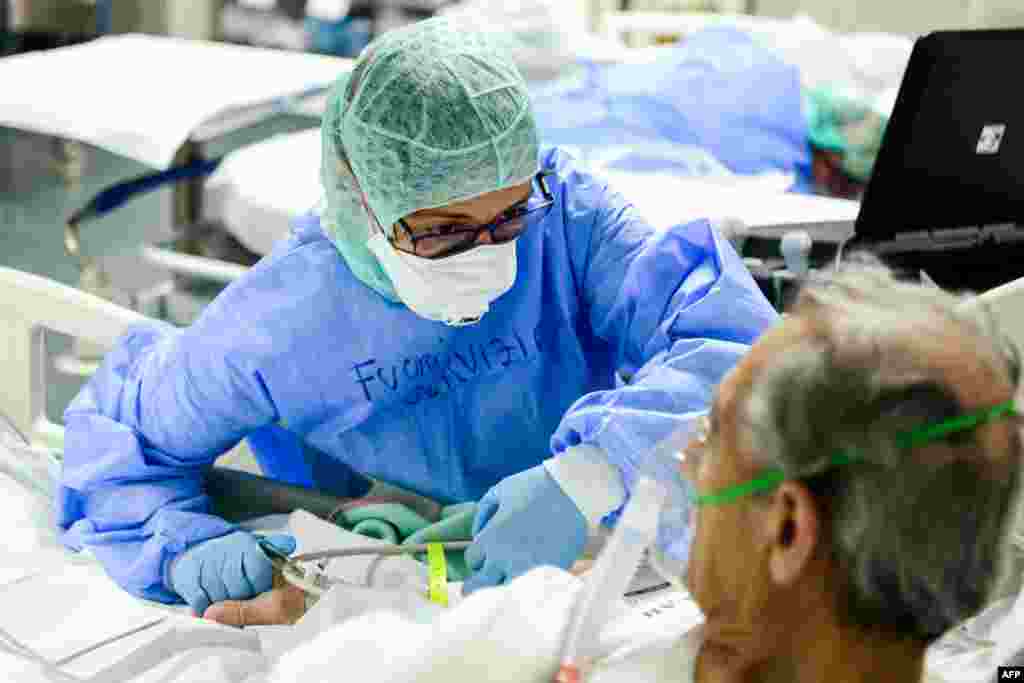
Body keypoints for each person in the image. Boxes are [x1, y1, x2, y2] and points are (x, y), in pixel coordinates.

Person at [56, 16, 776, 617]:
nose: (492, 255)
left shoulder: (568, 217)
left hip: (585, 555)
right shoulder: (283, 319)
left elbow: (734, 343)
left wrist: (587, 474)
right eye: (443, 233)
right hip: (383, 587)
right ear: (361, 204)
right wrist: (184, 547)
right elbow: (120, 444)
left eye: (508, 217)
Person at [263, 261, 1023, 683]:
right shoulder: (567, 627)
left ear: (789, 528)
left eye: (713, 434)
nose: (682, 459)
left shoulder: (557, 635)